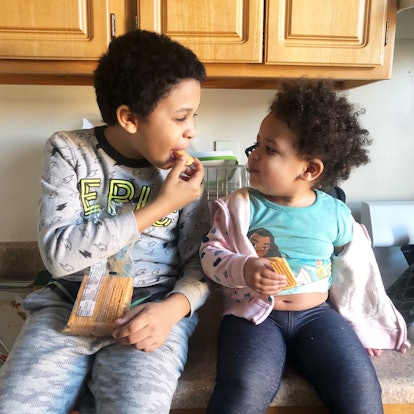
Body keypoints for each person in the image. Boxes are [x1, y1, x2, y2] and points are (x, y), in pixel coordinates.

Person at [0, 29, 211, 413]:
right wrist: (159, 206)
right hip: (65, 306)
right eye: (181, 117)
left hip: (152, 310)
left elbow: (202, 262)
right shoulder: (68, 150)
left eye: (193, 116)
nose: (191, 130)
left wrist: (173, 310)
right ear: (129, 118)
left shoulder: (187, 175)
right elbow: (60, 256)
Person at [200, 80, 385, 414]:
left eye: (269, 149)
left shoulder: (335, 214)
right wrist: (244, 267)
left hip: (316, 317)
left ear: (310, 169)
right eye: (256, 144)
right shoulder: (238, 206)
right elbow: (210, 255)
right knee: (242, 388)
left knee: (360, 385)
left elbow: (357, 272)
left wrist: (361, 323)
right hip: (253, 317)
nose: (254, 155)